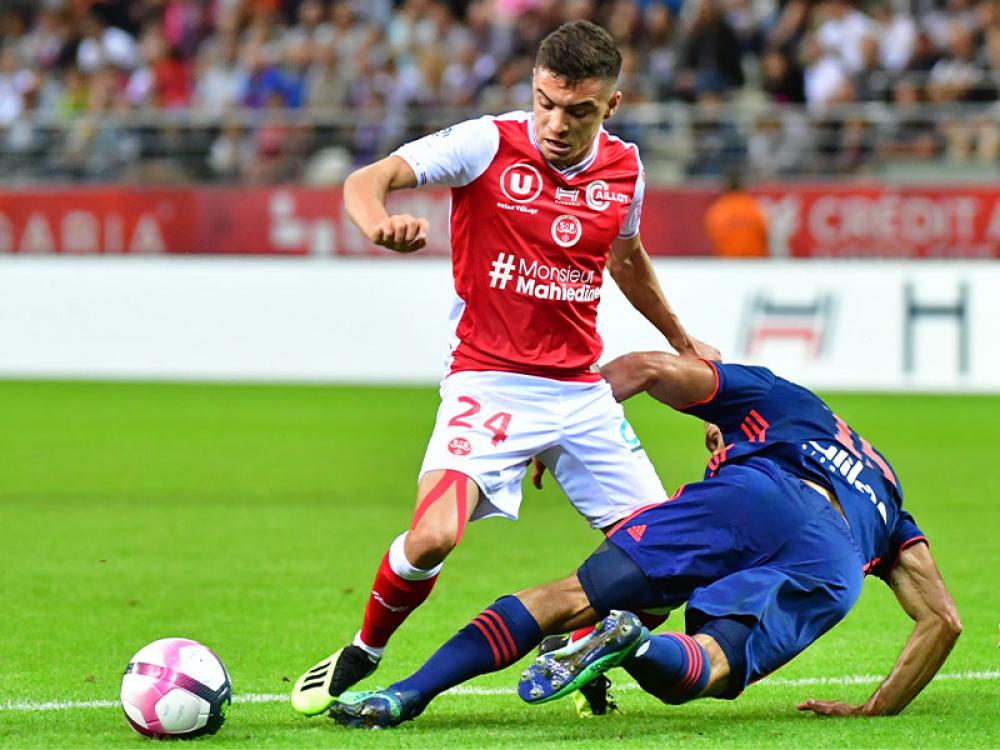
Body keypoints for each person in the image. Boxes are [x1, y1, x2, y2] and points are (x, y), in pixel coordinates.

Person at [290, 21, 717, 717]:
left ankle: (572, 647)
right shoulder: (486, 142)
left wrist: (682, 339)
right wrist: (377, 225)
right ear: (533, 89)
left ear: (610, 106)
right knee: (433, 535)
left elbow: (626, 259)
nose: (556, 123)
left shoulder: (625, 170)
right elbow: (370, 179)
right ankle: (366, 648)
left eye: (577, 110)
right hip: (488, 382)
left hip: (580, 395)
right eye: (546, 102)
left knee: (665, 567)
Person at [326, 352, 961, 728]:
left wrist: (560, 431)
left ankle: (408, 694)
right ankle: (632, 644)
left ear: (724, 431)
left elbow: (647, 368)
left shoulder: (775, 395)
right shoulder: (886, 488)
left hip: (756, 495)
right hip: (835, 560)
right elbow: (942, 621)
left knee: (567, 596)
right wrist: (876, 711)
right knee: (705, 665)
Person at [703, 169, 769, 258]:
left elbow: (715, 237)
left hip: (729, 262)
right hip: (754, 262)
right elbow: (765, 234)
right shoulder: (755, 206)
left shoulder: (718, 209)